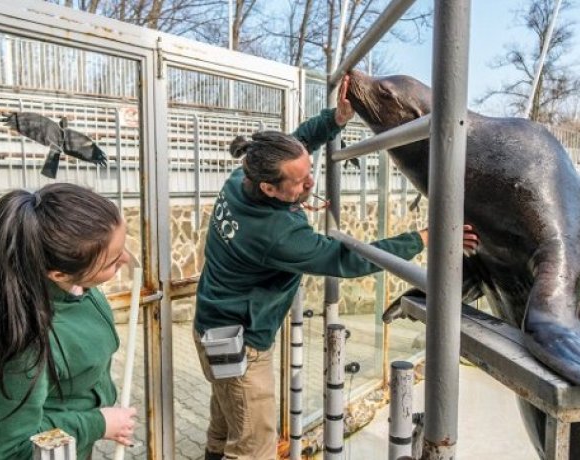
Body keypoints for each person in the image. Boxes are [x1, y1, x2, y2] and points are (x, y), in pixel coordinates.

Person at [193, 75, 481, 460]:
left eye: (309, 169)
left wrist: (336, 118)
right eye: (299, 182)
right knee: (253, 448)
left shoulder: (241, 177)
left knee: (225, 423)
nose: (311, 181)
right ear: (268, 189)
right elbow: (348, 259)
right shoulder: (276, 234)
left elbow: (299, 140)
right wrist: (425, 238)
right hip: (242, 343)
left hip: (211, 329)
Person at [0, 183, 137, 459]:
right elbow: (4, 449)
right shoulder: (26, 343)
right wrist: (97, 424)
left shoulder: (41, 252)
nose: (126, 259)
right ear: (58, 275)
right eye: (111, 262)